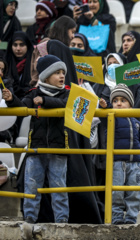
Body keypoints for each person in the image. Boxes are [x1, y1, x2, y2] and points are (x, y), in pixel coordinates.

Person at [2, 55, 70, 224]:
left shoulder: (68, 93)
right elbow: (22, 107)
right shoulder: (34, 93)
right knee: (32, 186)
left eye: (63, 72)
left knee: (58, 188)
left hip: (58, 148)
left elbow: (65, 104)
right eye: (57, 73)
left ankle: (61, 221)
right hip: (36, 148)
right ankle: (30, 219)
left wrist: (45, 101)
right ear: (46, 76)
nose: (62, 76)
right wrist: (11, 100)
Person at [99, 83, 140, 224]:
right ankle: (117, 216)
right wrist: (103, 107)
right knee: (116, 193)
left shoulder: (136, 123)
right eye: (115, 101)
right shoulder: (111, 118)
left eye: (123, 101)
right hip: (116, 163)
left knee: (134, 192)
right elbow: (103, 117)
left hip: (135, 164)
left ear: (131, 105)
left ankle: (131, 217)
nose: (118, 104)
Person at [30, 15, 78, 87]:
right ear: (64, 30)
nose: (73, 36)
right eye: (72, 32)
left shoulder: (58, 46)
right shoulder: (49, 44)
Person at [5, 31, 34, 99]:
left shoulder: (34, 63)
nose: (18, 49)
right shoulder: (6, 63)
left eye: (22, 45)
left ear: (27, 46)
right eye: (15, 45)